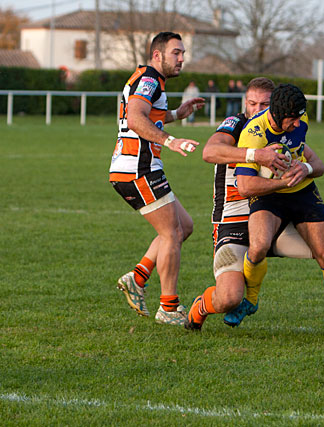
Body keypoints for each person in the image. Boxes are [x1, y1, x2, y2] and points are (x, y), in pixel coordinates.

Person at [186, 78, 324, 342]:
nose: (257, 108)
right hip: (235, 224)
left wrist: (303, 168)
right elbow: (210, 152)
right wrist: (255, 155)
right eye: (252, 103)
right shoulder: (238, 125)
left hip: (277, 217)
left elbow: (314, 161)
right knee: (229, 298)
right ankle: (201, 306)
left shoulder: (288, 127)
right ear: (245, 103)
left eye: (264, 103)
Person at [110, 32, 205, 326]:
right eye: (176, 52)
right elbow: (137, 119)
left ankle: (137, 278)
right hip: (138, 169)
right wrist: (170, 140)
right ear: (157, 55)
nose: (181, 58)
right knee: (172, 234)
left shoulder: (152, 81)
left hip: (140, 168)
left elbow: (147, 116)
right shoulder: (149, 79)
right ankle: (168, 307)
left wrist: (177, 113)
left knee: (183, 227)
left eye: (183, 53)